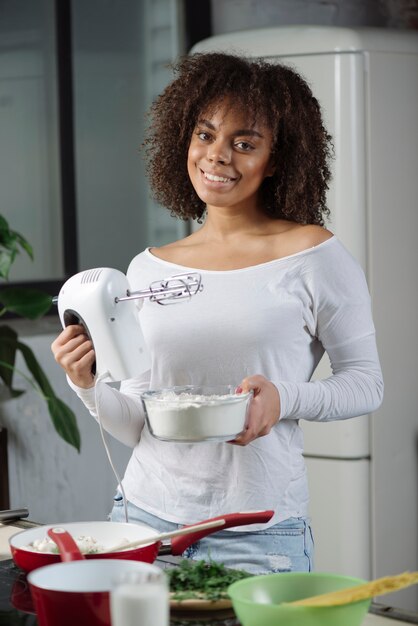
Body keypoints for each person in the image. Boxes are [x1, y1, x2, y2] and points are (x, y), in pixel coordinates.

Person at [51, 52, 383, 574]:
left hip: (258, 534)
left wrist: (283, 398)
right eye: (205, 135)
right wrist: (86, 384)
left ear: (276, 159)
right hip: (144, 524)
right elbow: (140, 422)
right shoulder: (148, 269)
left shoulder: (315, 256)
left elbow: (367, 383)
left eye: (244, 143)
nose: (217, 156)